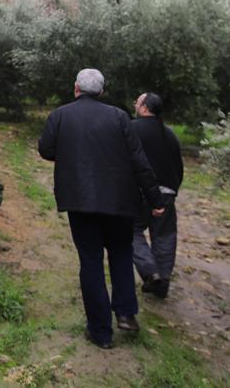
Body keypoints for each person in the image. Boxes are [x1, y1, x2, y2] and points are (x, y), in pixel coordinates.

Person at [38, 68, 164, 350]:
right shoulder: (120, 117)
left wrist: (70, 150)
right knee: (121, 253)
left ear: (76, 89)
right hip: (120, 201)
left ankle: (100, 332)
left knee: (91, 262)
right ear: (102, 91)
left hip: (80, 202)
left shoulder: (60, 115)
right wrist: (156, 200)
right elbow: (139, 162)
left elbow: (46, 150)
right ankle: (126, 313)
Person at [129, 92, 183, 300]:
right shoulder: (169, 134)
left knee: (130, 230)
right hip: (167, 193)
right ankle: (163, 282)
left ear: (144, 108)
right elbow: (178, 165)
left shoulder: (132, 128)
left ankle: (150, 272)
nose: (135, 104)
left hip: (140, 192)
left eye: (137, 101)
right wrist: (172, 189)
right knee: (165, 236)